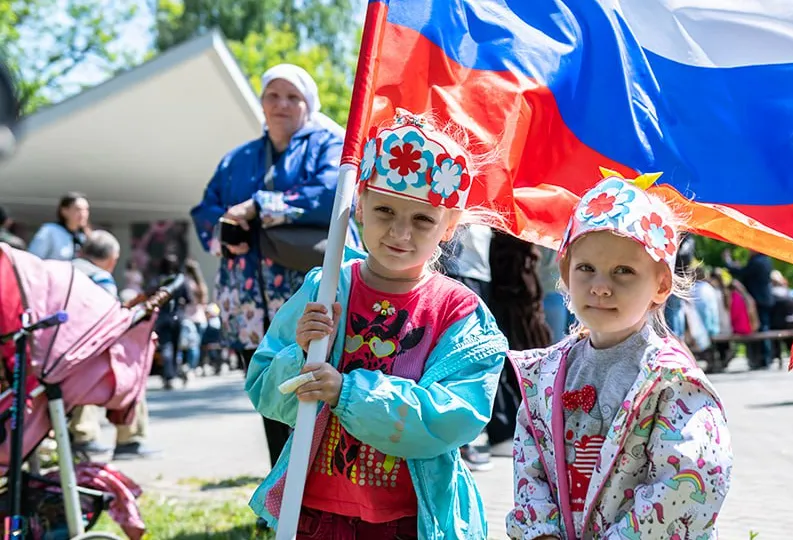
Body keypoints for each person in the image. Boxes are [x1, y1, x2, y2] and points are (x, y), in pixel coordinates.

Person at [245, 110, 508, 539]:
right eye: (385, 210)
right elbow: (265, 390)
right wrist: (299, 355)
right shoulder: (326, 287)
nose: (400, 233)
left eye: (423, 219)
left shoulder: (459, 313)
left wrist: (346, 392)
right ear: (360, 204)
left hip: (409, 520)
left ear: (450, 225)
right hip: (314, 512)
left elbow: (456, 418)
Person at [507, 174, 732, 539]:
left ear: (661, 284)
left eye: (623, 271)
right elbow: (530, 463)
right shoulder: (545, 375)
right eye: (586, 269)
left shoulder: (672, 380)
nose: (600, 286)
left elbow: (692, 477)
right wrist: (541, 531)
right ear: (565, 273)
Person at [190, 63, 357, 468]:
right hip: (249, 304)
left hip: (310, 300)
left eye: (292, 96)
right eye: (272, 95)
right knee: (269, 392)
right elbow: (205, 207)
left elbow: (332, 192)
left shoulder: (328, 143)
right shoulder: (238, 158)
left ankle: (318, 497)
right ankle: (278, 498)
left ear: (308, 103)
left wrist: (260, 206)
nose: (281, 104)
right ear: (261, 103)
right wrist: (226, 227)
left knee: (315, 391)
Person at [69, 230, 157, 458]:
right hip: (83, 356)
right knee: (129, 369)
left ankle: (82, 435)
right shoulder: (100, 278)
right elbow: (109, 320)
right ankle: (129, 440)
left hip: (54, 356)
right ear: (112, 260)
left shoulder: (63, 271)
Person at [439, 224, 496, 471]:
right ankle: (458, 442)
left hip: (476, 274)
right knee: (454, 353)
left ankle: (462, 440)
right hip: (456, 271)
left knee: (469, 355)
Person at [28, 192, 90, 261]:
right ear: (64, 211)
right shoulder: (49, 231)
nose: (83, 214)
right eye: (78, 209)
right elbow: (33, 259)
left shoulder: (83, 236)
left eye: (86, 209)